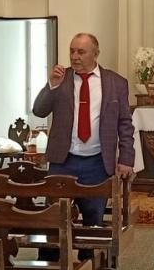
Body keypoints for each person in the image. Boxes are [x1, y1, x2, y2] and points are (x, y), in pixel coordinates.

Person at [32, 32, 135, 227]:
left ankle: (89, 248)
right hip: (63, 161)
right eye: (71, 51)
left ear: (95, 54)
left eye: (81, 52)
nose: (74, 57)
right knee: (55, 220)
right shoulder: (61, 79)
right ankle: (55, 248)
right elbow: (39, 110)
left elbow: (125, 124)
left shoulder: (116, 83)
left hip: (97, 163)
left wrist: (126, 158)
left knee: (93, 222)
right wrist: (51, 85)